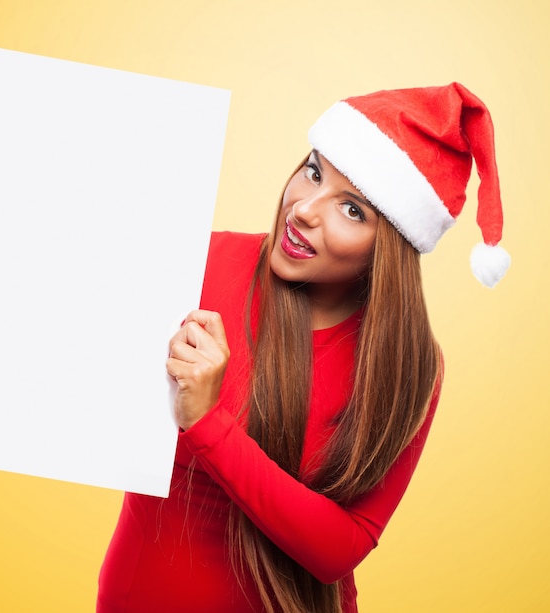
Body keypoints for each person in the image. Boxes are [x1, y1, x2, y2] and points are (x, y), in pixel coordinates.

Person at [96, 82, 510, 613]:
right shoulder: (198, 261)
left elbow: (340, 548)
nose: (304, 210)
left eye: (353, 209)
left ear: (391, 247)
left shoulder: (411, 367)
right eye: (313, 171)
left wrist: (207, 423)